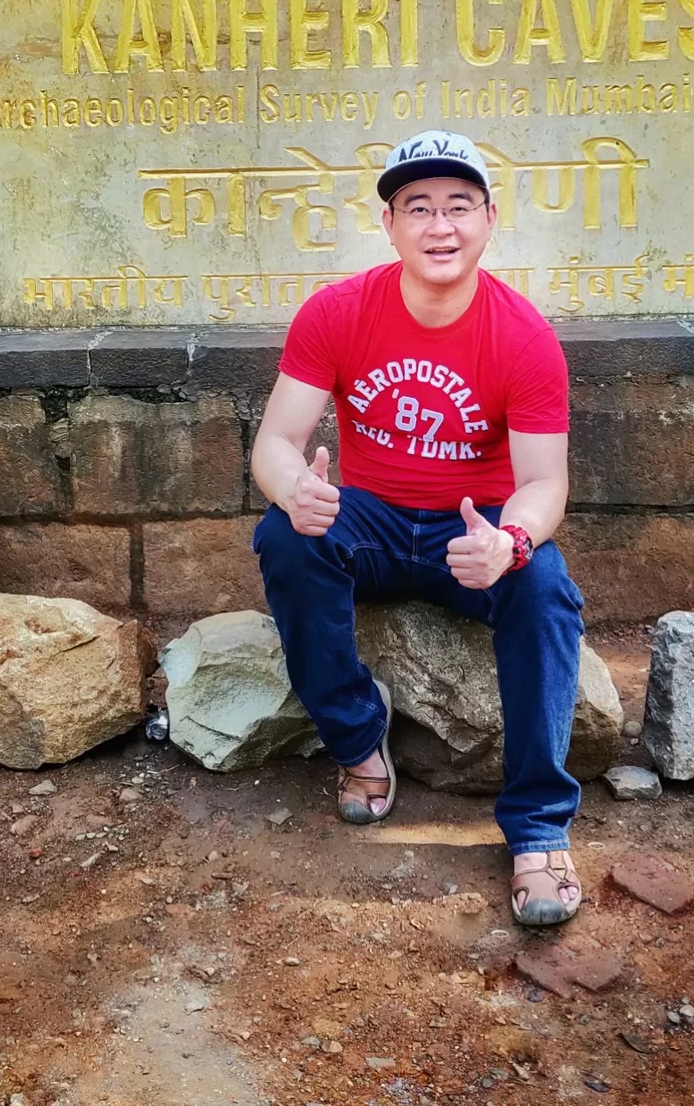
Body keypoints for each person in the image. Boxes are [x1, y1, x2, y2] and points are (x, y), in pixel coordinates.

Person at [250, 130, 586, 926]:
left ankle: (538, 826)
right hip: (367, 520)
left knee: (543, 587)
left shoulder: (525, 337)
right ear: (390, 224)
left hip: (469, 536)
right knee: (283, 535)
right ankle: (360, 741)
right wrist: (296, 489)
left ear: (490, 220)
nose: (441, 226)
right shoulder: (337, 313)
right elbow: (275, 440)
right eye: (419, 207)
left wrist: (513, 539)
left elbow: (545, 481)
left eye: (459, 206)